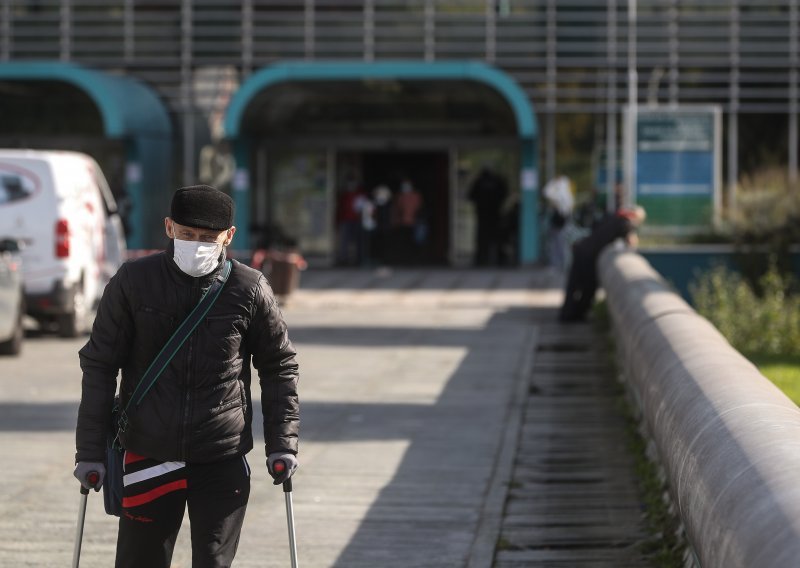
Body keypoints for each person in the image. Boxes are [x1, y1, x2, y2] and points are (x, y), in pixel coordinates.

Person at [73, 184, 300, 568]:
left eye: (208, 238)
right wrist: (90, 452)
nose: (196, 244)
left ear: (229, 236)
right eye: (187, 234)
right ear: (168, 228)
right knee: (140, 562)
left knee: (213, 562)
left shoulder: (249, 288)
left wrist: (283, 444)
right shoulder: (133, 282)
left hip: (221, 455)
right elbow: (99, 366)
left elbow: (279, 367)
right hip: (149, 452)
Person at [558, 205, 646, 322]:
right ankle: (577, 315)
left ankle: (567, 315)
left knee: (573, 285)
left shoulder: (611, 216)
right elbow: (631, 242)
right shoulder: (625, 223)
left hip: (582, 248)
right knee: (589, 286)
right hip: (589, 255)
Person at [468, 167, 509, 266]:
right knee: (497, 238)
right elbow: (504, 194)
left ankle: (481, 259)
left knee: (482, 239)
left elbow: (470, 196)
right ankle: (500, 259)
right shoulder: (497, 181)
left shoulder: (479, 182)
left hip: (483, 214)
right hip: (495, 213)